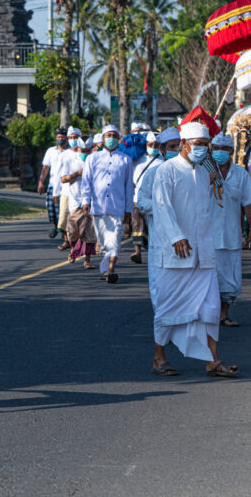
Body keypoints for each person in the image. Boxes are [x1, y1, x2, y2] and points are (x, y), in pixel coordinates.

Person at [146, 121, 239, 378]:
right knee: (168, 307)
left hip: (203, 254)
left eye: (206, 146)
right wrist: (176, 236)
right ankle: (159, 358)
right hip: (176, 254)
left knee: (210, 308)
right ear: (184, 144)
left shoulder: (204, 174)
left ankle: (213, 360)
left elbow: (210, 209)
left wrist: (214, 179)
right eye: (199, 145)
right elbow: (162, 207)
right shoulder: (167, 170)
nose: (203, 150)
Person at [208, 132, 251, 327]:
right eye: (216, 148)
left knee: (230, 277)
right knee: (209, 277)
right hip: (208, 235)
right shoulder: (203, 172)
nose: (220, 152)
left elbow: (248, 203)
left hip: (231, 234)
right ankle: (209, 314)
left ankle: (224, 314)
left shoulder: (240, 173)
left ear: (231, 151)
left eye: (224, 149)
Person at [79, 124, 134, 284]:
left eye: (114, 135)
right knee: (104, 243)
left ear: (119, 139)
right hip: (98, 207)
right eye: (108, 135)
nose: (111, 138)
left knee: (115, 240)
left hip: (118, 207)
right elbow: (86, 182)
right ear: (102, 139)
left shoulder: (125, 160)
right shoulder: (92, 158)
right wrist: (85, 201)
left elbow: (128, 186)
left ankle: (111, 270)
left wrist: (128, 210)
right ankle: (106, 269)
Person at [63, 136, 97, 268]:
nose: (85, 153)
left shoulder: (95, 160)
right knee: (72, 231)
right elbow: (63, 179)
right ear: (78, 148)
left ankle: (87, 260)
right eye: (83, 150)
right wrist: (76, 174)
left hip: (90, 201)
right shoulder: (70, 161)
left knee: (88, 233)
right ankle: (73, 250)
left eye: (88, 151)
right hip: (75, 201)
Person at [130, 131, 161, 265]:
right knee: (137, 226)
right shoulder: (138, 159)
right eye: (150, 144)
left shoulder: (163, 160)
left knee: (151, 228)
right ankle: (137, 252)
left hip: (156, 200)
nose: (153, 147)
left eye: (156, 145)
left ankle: (152, 252)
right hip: (137, 199)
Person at [37, 128, 69, 239]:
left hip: (66, 185)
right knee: (51, 208)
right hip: (52, 184)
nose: (61, 139)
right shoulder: (51, 151)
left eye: (63, 137)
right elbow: (45, 168)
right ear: (56, 138)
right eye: (59, 137)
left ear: (67, 138)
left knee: (64, 209)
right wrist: (41, 182)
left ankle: (64, 231)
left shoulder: (71, 151)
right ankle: (55, 226)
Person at [55, 127, 83, 251]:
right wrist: (56, 192)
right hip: (66, 191)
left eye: (75, 137)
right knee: (64, 218)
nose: (73, 140)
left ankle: (81, 245)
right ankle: (67, 240)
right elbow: (58, 175)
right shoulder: (64, 155)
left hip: (80, 193)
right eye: (71, 137)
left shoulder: (84, 154)